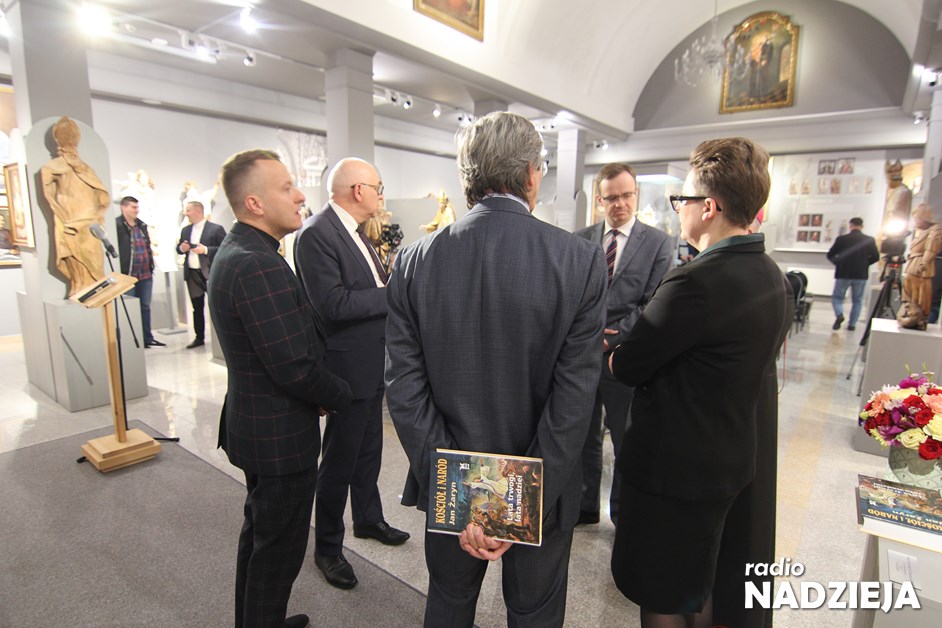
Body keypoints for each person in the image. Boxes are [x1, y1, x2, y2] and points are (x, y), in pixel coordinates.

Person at [385, 111, 606, 627]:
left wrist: (468, 501)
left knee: (449, 603)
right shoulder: (579, 260)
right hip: (541, 488)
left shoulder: (413, 261)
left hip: (449, 480)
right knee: (534, 613)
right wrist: (513, 509)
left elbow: (404, 389)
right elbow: (573, 402)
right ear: (531, 174)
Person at [608, 137, 789, 627]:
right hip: (728, 460)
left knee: (663, 593)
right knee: (700, 582)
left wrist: (614, 351)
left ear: (708, 207)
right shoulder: (770, 273)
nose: (678, 210)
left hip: (674, 472)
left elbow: (627, 365)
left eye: (681, 199)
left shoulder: (695, 283)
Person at [209, 149, 352, 628]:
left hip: (256, 426)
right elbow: (294, 368)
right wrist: (342, 396)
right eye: (286, 187)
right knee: (278, 551)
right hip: (278, 437)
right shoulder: (257, 264)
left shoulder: (242, 251)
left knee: (260, 536)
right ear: (254, 203)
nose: (299, 195)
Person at [294, 157, 410, 591]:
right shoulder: (316, 234)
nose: (381, 195)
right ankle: (327, 547)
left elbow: (365, 289)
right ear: (358, 190)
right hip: (345, 369)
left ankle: (368, 518)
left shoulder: (355, 230)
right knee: (339, 461)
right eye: (378, 187)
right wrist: (394, 294)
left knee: (368, 452)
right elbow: (333, 304)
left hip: (372, 362)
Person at [574, 163, 673, 526]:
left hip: (624, 357)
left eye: (626, 195)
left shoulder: (659, 243)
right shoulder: (581, 239)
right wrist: (588, 335)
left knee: (624, 439)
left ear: (636, 195)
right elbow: (572, 295)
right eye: (611, 197)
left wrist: (613, 337)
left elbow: (655, 302)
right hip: (582, 356)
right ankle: (584, 505)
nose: (620, 204)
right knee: (582, 436)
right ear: (599, 200)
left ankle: (621, 513)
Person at [40, 116, 111, 297]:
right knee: (80, 265)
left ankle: (90, 294)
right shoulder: (54, 167)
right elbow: (49, 196)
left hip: (88, 224)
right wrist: (64, 219)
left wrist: (94, 216)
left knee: (94, 265)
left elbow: (101, 196)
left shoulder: (83, 167)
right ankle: (82, 292)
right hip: (73, 223)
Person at [176, 201, 227, 348]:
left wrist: (205, 250)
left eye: (188, 210)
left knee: (217, 307)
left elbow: (225, 248)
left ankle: (222, 339)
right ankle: (199, 337)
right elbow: (178, 249)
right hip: (192, 274)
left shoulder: (216, 229)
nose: (186, 213)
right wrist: (182, 248)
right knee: (197, 307)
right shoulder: (185, 230)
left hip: (210, 273)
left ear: (198, 211)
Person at [116, 196, 165, 348]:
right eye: (133, 207)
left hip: (145, 274)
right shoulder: (117, 226)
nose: (136, 210)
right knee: (130, 308)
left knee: (145, 307)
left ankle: (147, 338)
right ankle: (132, 341)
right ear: (124, 207)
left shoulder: (142, 225)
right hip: (128, 275)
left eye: (137, 207)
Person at [827, 217, 879, 331]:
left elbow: (830, 254)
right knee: (857, 301)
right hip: (860, 274)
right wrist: (865, 263)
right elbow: (876, 256)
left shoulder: (842, 239)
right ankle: (852, 324)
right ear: (862, 226)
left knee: (837, 298)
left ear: (850, 226)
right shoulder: (869, 240)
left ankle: (839, 314)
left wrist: (839, 263)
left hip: (843, 273)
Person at [903, 203, 942, 319]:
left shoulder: (935, 230)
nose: (915, 222)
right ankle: (910, 312)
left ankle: (917, 316)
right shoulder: (921, 231)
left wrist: (924, 262)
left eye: (917, 219)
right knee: (909, 291)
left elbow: (931, 248)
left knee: (919, 293)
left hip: (921, 264)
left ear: (924, 218)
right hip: (914, 262)